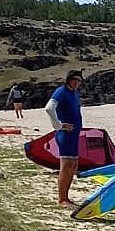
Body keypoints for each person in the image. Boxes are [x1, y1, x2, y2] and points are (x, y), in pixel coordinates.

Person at [44, 69, 83, 208]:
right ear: (69, 79)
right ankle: (61, 199)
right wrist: (58, 125)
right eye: (75, 79)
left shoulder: (74, 93)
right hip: (65, 135)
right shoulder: (61, 91)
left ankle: (66, 197)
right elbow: (49, 108)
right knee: (66, 166)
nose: (77, 83)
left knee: (73, 165)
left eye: (79, 80)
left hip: (73, 134)